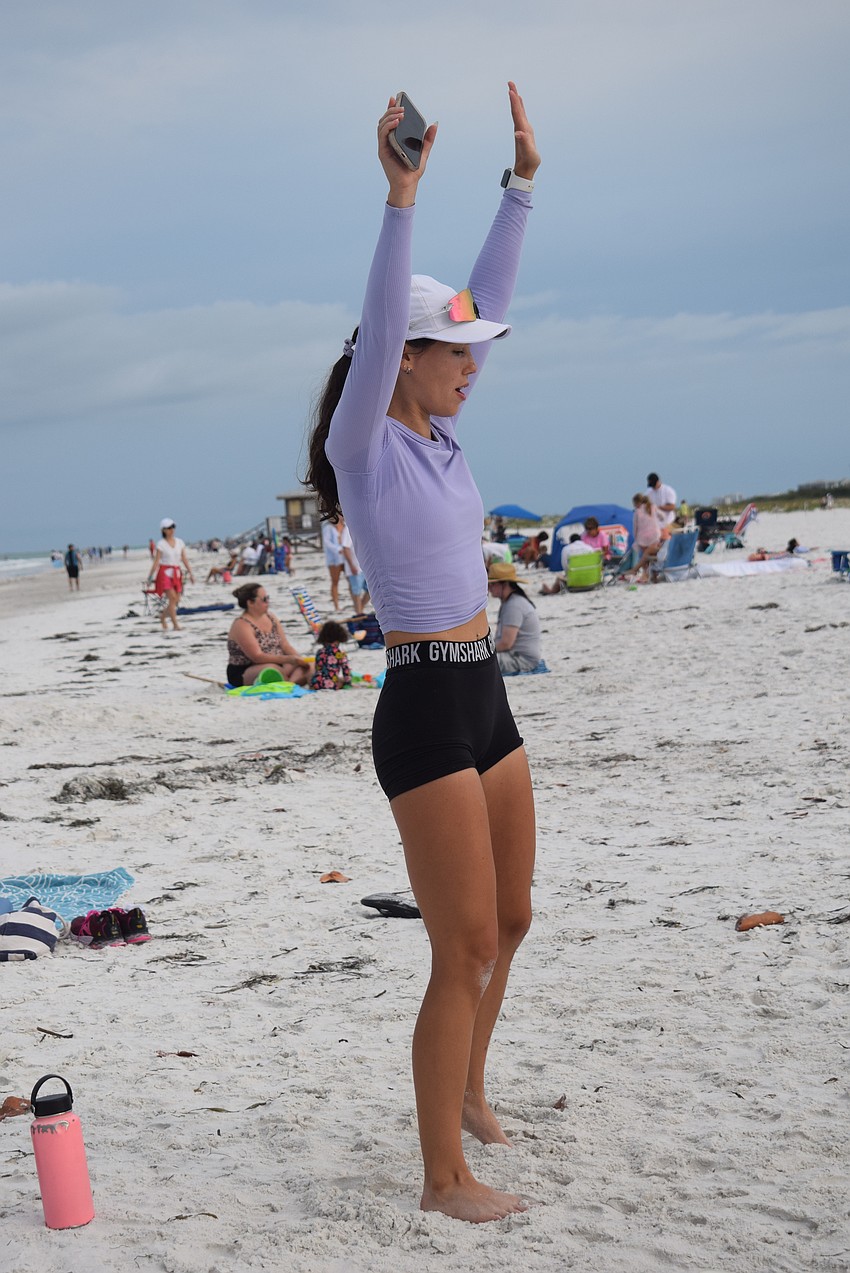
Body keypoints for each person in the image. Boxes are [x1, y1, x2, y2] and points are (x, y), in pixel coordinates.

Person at [305, 84, 539, 1224]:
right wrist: (401, 200)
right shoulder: (368, 445)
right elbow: (401, 324)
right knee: (463, 943)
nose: (472, 365)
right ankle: (442, 1176)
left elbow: (480, 301)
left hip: (485, 695)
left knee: (516, 918)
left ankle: (473, 1086)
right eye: (451, 352)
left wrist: (519, 189)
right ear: (402, 357)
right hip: (421, 712)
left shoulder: (440, 434)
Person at [226, 583, 312, 686]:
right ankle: (292, 681)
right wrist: (288, 659)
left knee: (310, 665)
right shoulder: (242, 625)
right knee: (272, 669)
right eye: (264, 599)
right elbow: (257, 657)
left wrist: (298, 659)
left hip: (278, 663)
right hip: (246, 670)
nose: (268, 602)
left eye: (268, 598)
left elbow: (284, 645)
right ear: (250, 603)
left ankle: (290, 683)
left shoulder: (271, 617)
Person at [487, 562, 542, 673]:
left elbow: (506, 643)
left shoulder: (514, 606)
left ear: (505, 584)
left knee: (478, 664)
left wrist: (484, 652)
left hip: (521, 660)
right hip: (518, 656)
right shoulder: (512, 601)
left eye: (492, 584)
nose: (489, 588)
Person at [147, 519, 194, 630]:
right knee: (172, 598)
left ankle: (163, 616)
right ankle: (175, 625)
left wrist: (191, 573)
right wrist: (150, 577)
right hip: (165, 573)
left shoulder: (180, 542)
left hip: (176, 572)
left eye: (173, 527)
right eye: (169, 528)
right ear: (163, 530)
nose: (171, 530)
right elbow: (156, 561)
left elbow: (184, 558)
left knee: (177, 599)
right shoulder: (161, 544)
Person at [338, 515, 370, 615]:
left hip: (363, 566)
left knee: (371, 590)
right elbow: (345, 548)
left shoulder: (358, 528)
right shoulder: (347, 529)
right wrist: (351, 565)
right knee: (356, 591)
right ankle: (359, 612)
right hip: (354, 567)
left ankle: (360, 609)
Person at [628, 493, 664, 581]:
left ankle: (645, 574)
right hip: (655, 535)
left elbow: (635, 526)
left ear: (637, 503)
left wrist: (636, 537)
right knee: (652, 555)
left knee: (644, 557)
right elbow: (662, 517)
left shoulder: (637, 511)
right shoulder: (653, 507)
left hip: (642, 538)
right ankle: (653, 574)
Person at [311, 620, 352, 690]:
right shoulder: (340, 654)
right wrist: (348, 683)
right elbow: (346, 671)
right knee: (341, 680)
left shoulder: (319, 652)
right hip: (331, 684)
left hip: (316, 683)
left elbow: (317, 669)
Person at [322, 520, 344, 610]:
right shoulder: (328, 527)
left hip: (345, 557)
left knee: (351, 581)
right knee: (335, 581)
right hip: (334, 559)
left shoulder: (344, 525)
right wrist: (338, 549)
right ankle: (336, 605)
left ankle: (357, 604)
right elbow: (327, 543)